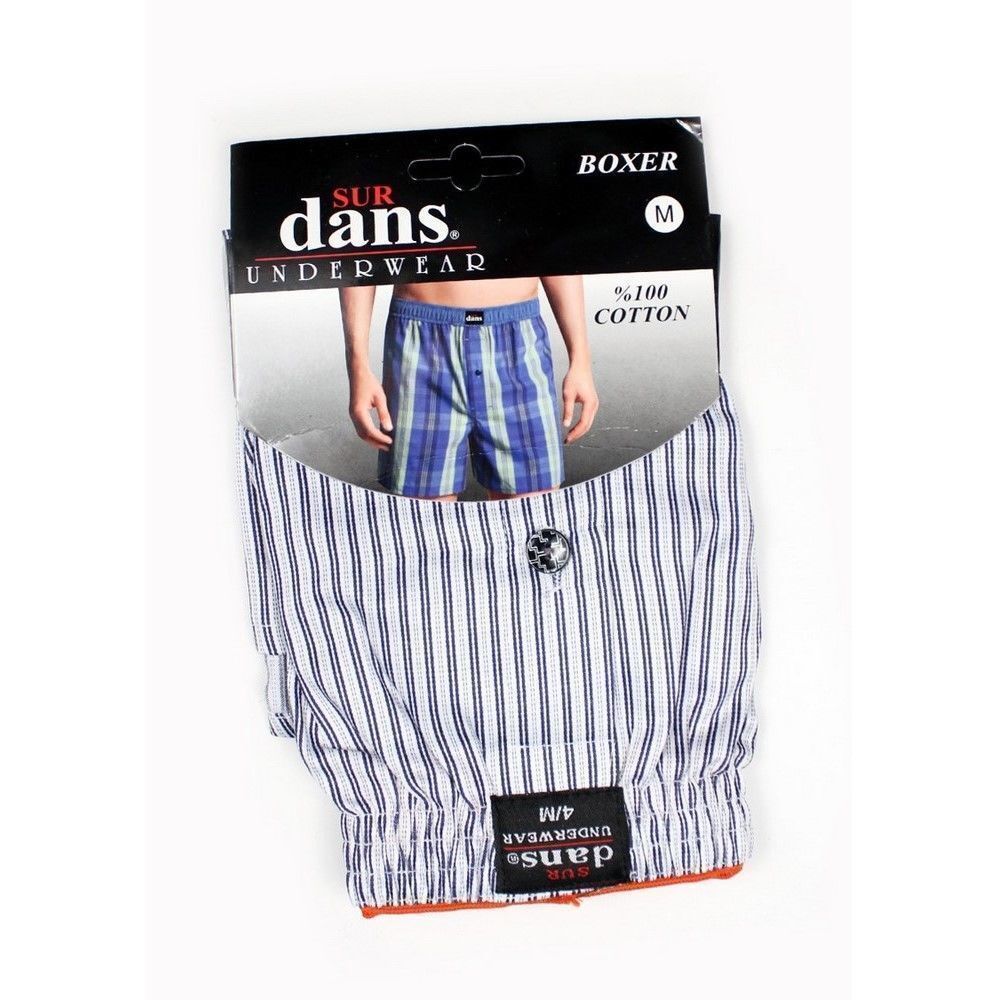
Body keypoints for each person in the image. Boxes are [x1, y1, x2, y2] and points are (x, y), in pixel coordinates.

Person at [340, 277, 598, 501]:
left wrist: (581, 360)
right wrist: (358, 367)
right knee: (425, 519)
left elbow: (556, 247)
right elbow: (358, 254)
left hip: (517, 341)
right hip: (421, 344)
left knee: (531, 513)